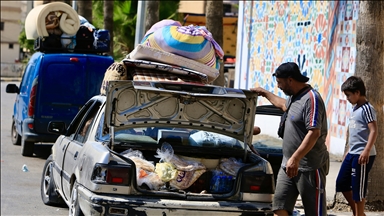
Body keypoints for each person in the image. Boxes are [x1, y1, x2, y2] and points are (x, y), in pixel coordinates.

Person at [251, 62, 329, 216]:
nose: (278, 86)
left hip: (309, 167)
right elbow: (283, 105)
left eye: (280, 82)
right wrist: (263, 92)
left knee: (314, 213)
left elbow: (314, 132)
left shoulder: (312, 99)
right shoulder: (295, 98)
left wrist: (296, 158)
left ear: (290, 80)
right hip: (288, 166)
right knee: (279, 208)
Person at [336, 76, 378, 216]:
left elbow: (373, 130)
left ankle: (359, 214)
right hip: (352, 153)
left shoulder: (367, 109)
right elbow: (356, 133)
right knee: (341, 182)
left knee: (358, 188)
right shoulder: (355, 109)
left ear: (357, 93)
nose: (347, 98)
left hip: (363, 155)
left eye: (348, 95)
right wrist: (349, 151)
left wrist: (366, 150)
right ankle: (358, 212)